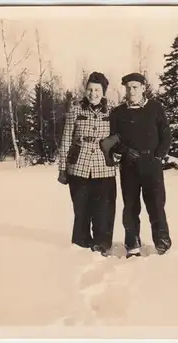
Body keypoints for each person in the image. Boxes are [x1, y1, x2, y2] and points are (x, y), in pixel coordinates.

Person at [105, 72, 172, 258]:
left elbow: (166, 135)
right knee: (131, 206)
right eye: (128, 87)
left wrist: (158, 156)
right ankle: (132, 243)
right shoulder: (118, 112)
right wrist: (125, 151)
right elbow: (113, 139)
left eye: (135, 87)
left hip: (151, 164)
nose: (131, 90)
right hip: (129, 166)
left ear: (143, 88)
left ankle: (162, 242)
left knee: (156, 204)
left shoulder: (156, 108)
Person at [57, 71, 117, 257]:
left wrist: (113, 146)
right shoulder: (76, 109)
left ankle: (102, 243)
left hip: (103, 167)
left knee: (103, 210)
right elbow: (66, 139)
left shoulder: (112, 111)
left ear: (104, 92)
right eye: (90, 89)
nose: (93, 93)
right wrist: (62, 168)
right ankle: (81, 244)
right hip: (79, 167)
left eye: (97, 90)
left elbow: (120, 137)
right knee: (81, 208)